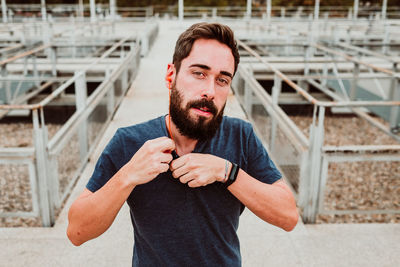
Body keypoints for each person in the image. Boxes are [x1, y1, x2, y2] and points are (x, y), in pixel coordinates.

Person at [67, 22, 298, 266]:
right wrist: (128, 175)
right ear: (171, 75)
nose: (209, 90)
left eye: (222, 80)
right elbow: (77, 231)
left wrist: (226, 172)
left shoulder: (240, 135)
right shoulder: (129, 141)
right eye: (199, 73)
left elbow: (288, 216)